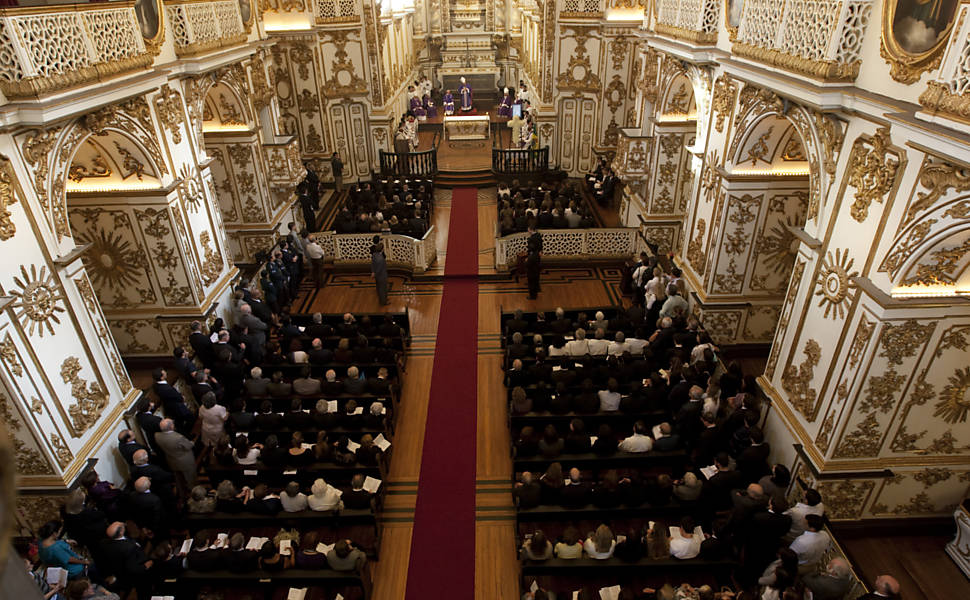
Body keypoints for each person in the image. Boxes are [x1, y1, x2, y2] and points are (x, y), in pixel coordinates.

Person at [154, 418, 197, 488]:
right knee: (190, 477)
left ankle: (182, 491)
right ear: (171, 427)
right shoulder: (178, 437)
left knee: (179, 478)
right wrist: (192, 442)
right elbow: (188, 446)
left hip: (171, 460)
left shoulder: (157, 435)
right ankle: (193, 490)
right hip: (185, 461)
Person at [370, 235, 390, 305]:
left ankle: (383, 298)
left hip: (377, 276)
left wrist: (373, 272)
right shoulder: (381, 259)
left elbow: (372, 264)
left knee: (379, 288)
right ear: (382, 249)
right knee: (383, 289)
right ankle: (383, 301)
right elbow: (379, 269)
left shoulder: (374, 255)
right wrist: (375, 273)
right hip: (381, 275)